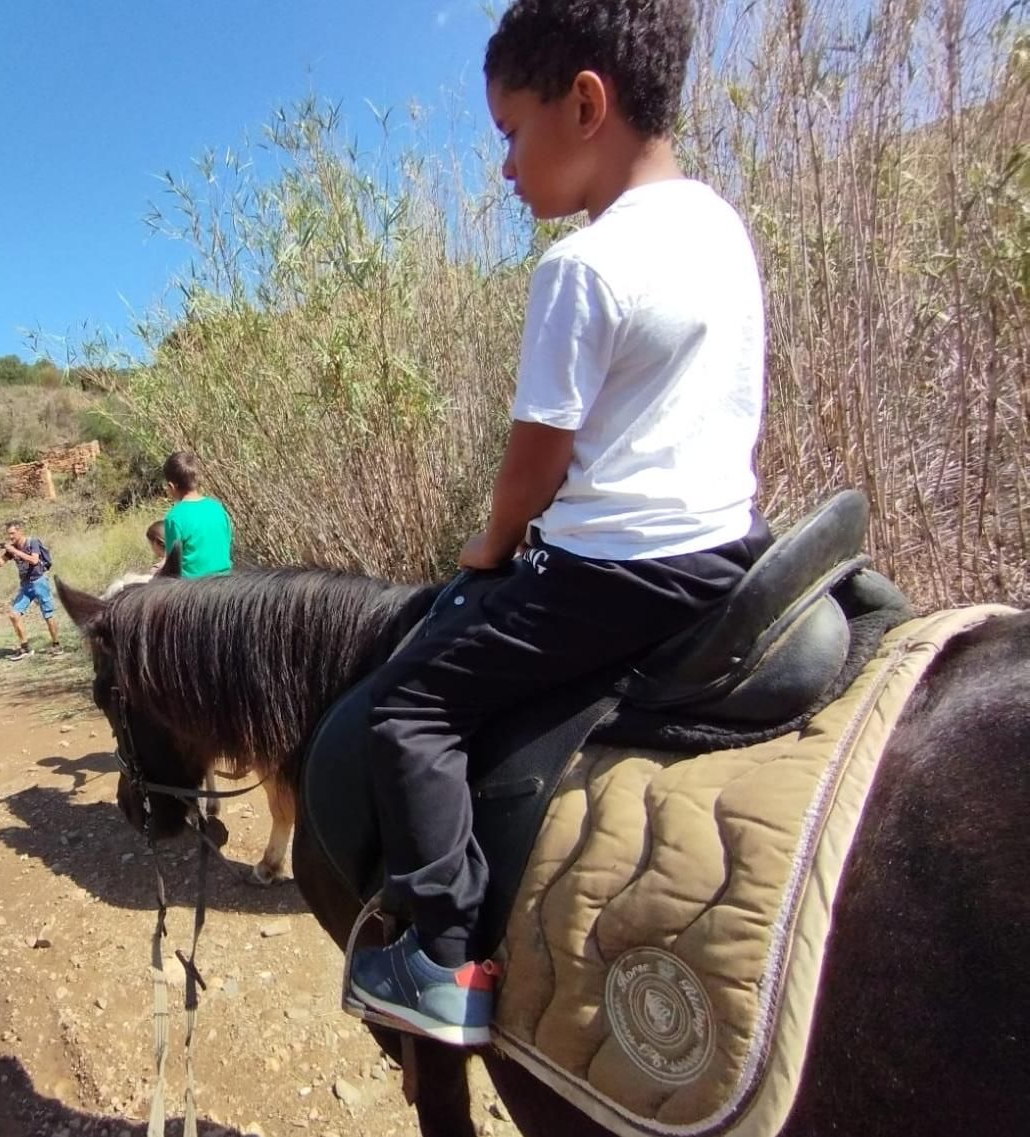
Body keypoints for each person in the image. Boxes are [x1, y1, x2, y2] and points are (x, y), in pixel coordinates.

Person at [347, 0, 772, 1048]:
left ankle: (441, 959)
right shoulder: (717, 221)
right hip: (726, 546)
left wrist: (484, 552)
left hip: (616, 569)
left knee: (407, 711)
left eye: (507, 134)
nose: (501, 171)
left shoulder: (581, 267)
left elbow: (532, 469)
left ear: (584, 102)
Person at [0, 520, 62, 661]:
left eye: (12, 533)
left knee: (48, 615)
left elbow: (34, 560)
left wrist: (14, 551)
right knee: (14, 614)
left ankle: (56, 644)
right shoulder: (12, 548)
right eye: (8, 534)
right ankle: (25, 647)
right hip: (25, 585)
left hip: (39, 582)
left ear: (20, 531)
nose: (10, 537)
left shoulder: (32, 542)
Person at [160, 451, 233, 578]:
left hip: (193, 592)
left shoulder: (174, 517)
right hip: (226, 584)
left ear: (171, 486)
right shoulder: (218, 508)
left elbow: (173, 567)